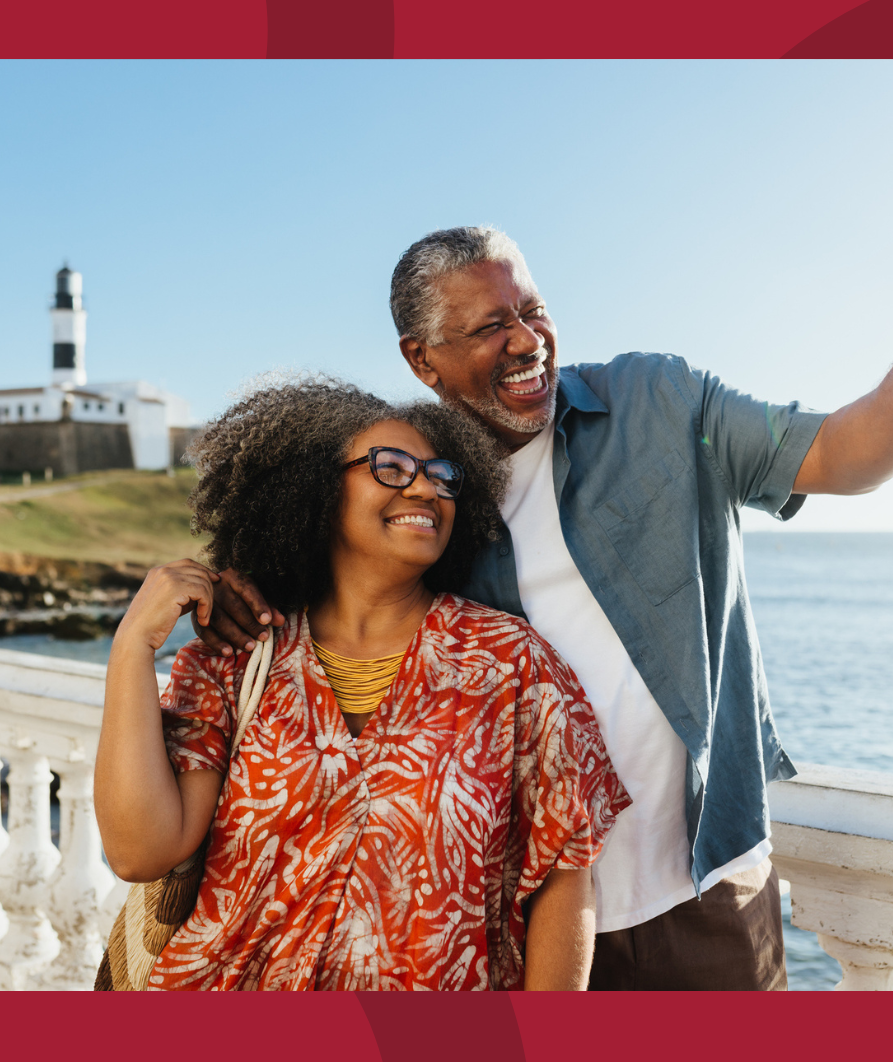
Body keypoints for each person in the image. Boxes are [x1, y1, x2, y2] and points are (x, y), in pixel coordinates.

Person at [196, 223, 893, 991]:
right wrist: (249, 583)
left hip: (706, 892)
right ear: (421, 358)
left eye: (532, 309)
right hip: (523, 921)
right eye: (491, 326)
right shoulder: (428, 490)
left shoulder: (658, 401)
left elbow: (838, 452)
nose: (527, 340)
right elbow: (343, 594)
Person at [95, 378, 629, 991]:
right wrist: (132, 646)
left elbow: (565, 876)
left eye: (442, 474)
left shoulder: (512, 666)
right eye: (392, 467)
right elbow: (140, 851)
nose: (426, 487)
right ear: (318, 487)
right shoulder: (239, 660)